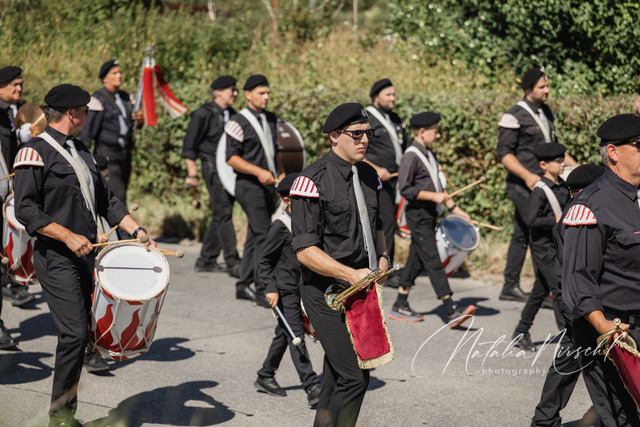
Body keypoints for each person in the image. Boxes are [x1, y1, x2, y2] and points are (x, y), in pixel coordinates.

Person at [13, 84, 156, 427]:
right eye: (85, 111)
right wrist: (67, 235)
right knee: (74, 334)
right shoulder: (33, 152)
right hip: (55, 257)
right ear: (71, 113)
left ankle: (64, 412)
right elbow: (26, 210)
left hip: (87, 256)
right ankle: (60, 417)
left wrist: (136, 230)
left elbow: (108, 201)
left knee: (83, 335)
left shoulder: (82, 150)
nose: (88, 116)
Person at [291, 103, 390, 426]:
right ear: (334, 136)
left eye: (368, 133)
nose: (365, 140)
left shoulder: (370, 175)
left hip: (360, 290)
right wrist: (350, 273)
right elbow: (305, 250)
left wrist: (383, 257)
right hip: (324, 292)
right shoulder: (310, 181)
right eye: (356, 134)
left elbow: (376, 226)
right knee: (355, 377)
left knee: (337, 377)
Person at [559, 113, 640, 426]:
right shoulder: (590, 204)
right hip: (615, 332)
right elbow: (578, 275)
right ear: (614, 152)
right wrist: (602, 325)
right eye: (639, 144)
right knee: (622, 417)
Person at [530, 164, 605, 427]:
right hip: (579, 302)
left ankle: (546, 419)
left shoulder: (575, 211)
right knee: (585, 362)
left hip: (575, 300)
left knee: (571, 361)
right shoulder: (578, 217)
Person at [496, 66, 576, 302]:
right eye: (542, 87)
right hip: (524, 186)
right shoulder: (513, 116)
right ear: (528, 89)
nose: (547, 90)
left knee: (521, 234)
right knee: (544, 232)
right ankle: (552, 289)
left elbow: (555, 149)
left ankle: (510, 286)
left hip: (543, 184)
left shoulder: (546, 112)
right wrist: (527, 176)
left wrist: (577, 167)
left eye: (547, 85)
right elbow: (504, 154)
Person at [392, 112, 475, 325]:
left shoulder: (429, 154)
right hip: (418, 214)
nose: (438, 135)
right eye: (435, 132)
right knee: (432, 259)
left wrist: (456, 209)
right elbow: (405, 189)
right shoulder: (411, 156)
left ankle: (400, 302)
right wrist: (433, 197)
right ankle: (451, 307)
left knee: (416, 258)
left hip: (429, 214)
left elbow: (440, 189)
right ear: (422, 132)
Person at [254, 173, 322, 407]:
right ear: (287, 200)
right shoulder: (280, 226)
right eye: (301, 199)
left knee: (285, 333)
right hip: (284, 290)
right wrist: (271, 288)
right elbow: (263, 260)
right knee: (295, 336)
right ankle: (312, 386)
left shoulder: (307, 223)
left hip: (302, 287)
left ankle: (265, 374)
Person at [225, 74, 284, 307]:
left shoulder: (272, 119)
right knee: (264, 235)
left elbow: (276, 151)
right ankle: (263, 289)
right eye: (261, 93)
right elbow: (231, 158)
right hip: (249, 186)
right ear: (248, 94)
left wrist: (281, 174)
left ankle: (242, 285)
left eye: (268, 93)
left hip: (269, 185)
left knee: (254, 234)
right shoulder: (237, 122)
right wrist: (258, 171)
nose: (266, 97)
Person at [512, 143, 570, 351]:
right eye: (558, 161)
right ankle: (569, 338)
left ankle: (521, 331)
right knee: (559, 289)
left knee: (540, 291)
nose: (562, 164)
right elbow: (532, 220)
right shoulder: (540, 191)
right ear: (544, 165)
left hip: (558, 245)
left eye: (563, 160)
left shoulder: (563, 186)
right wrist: (556, 219)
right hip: (544, 249)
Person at [183, 75, 241, 277]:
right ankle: (233, 261)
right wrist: (192, 172)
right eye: (231, 89)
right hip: (211, 166)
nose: (235, 93)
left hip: (229, 170)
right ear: (218, 92)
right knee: (223, 211)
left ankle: (206, 259)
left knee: (221, 213)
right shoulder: (203, 113)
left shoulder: (233, 115)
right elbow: (189, 145)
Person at [79, 59, 143, 215]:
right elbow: (87, 133)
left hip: (124, 153)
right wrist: (85, 159)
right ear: (105, 78)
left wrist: (140, 119)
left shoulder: (126, 97)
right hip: (106, 153)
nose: (119, 76)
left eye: (120, 72)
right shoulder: (97, 99)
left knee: (122, 191)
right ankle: (121, 228)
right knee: (116, 194)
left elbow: (135, 124)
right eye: (114, 73)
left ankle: (117, 225)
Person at [363, 79, 409, 284]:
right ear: (376, 97)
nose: (393, 98)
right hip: (373, 181)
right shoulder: (366, 118)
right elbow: (356, 151)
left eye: (394, 94)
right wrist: (376, 168)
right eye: (388, 95)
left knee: (390, 224)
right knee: (384, 223)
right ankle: (382, 270)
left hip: (393, 182)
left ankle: (386, 267)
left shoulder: (395, 118)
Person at [0, 65, 36, 309]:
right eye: (14, 84)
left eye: (21, 84)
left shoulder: (12, 111)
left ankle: (14, 283)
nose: (19, 88)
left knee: (10, 240)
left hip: (10, 186)